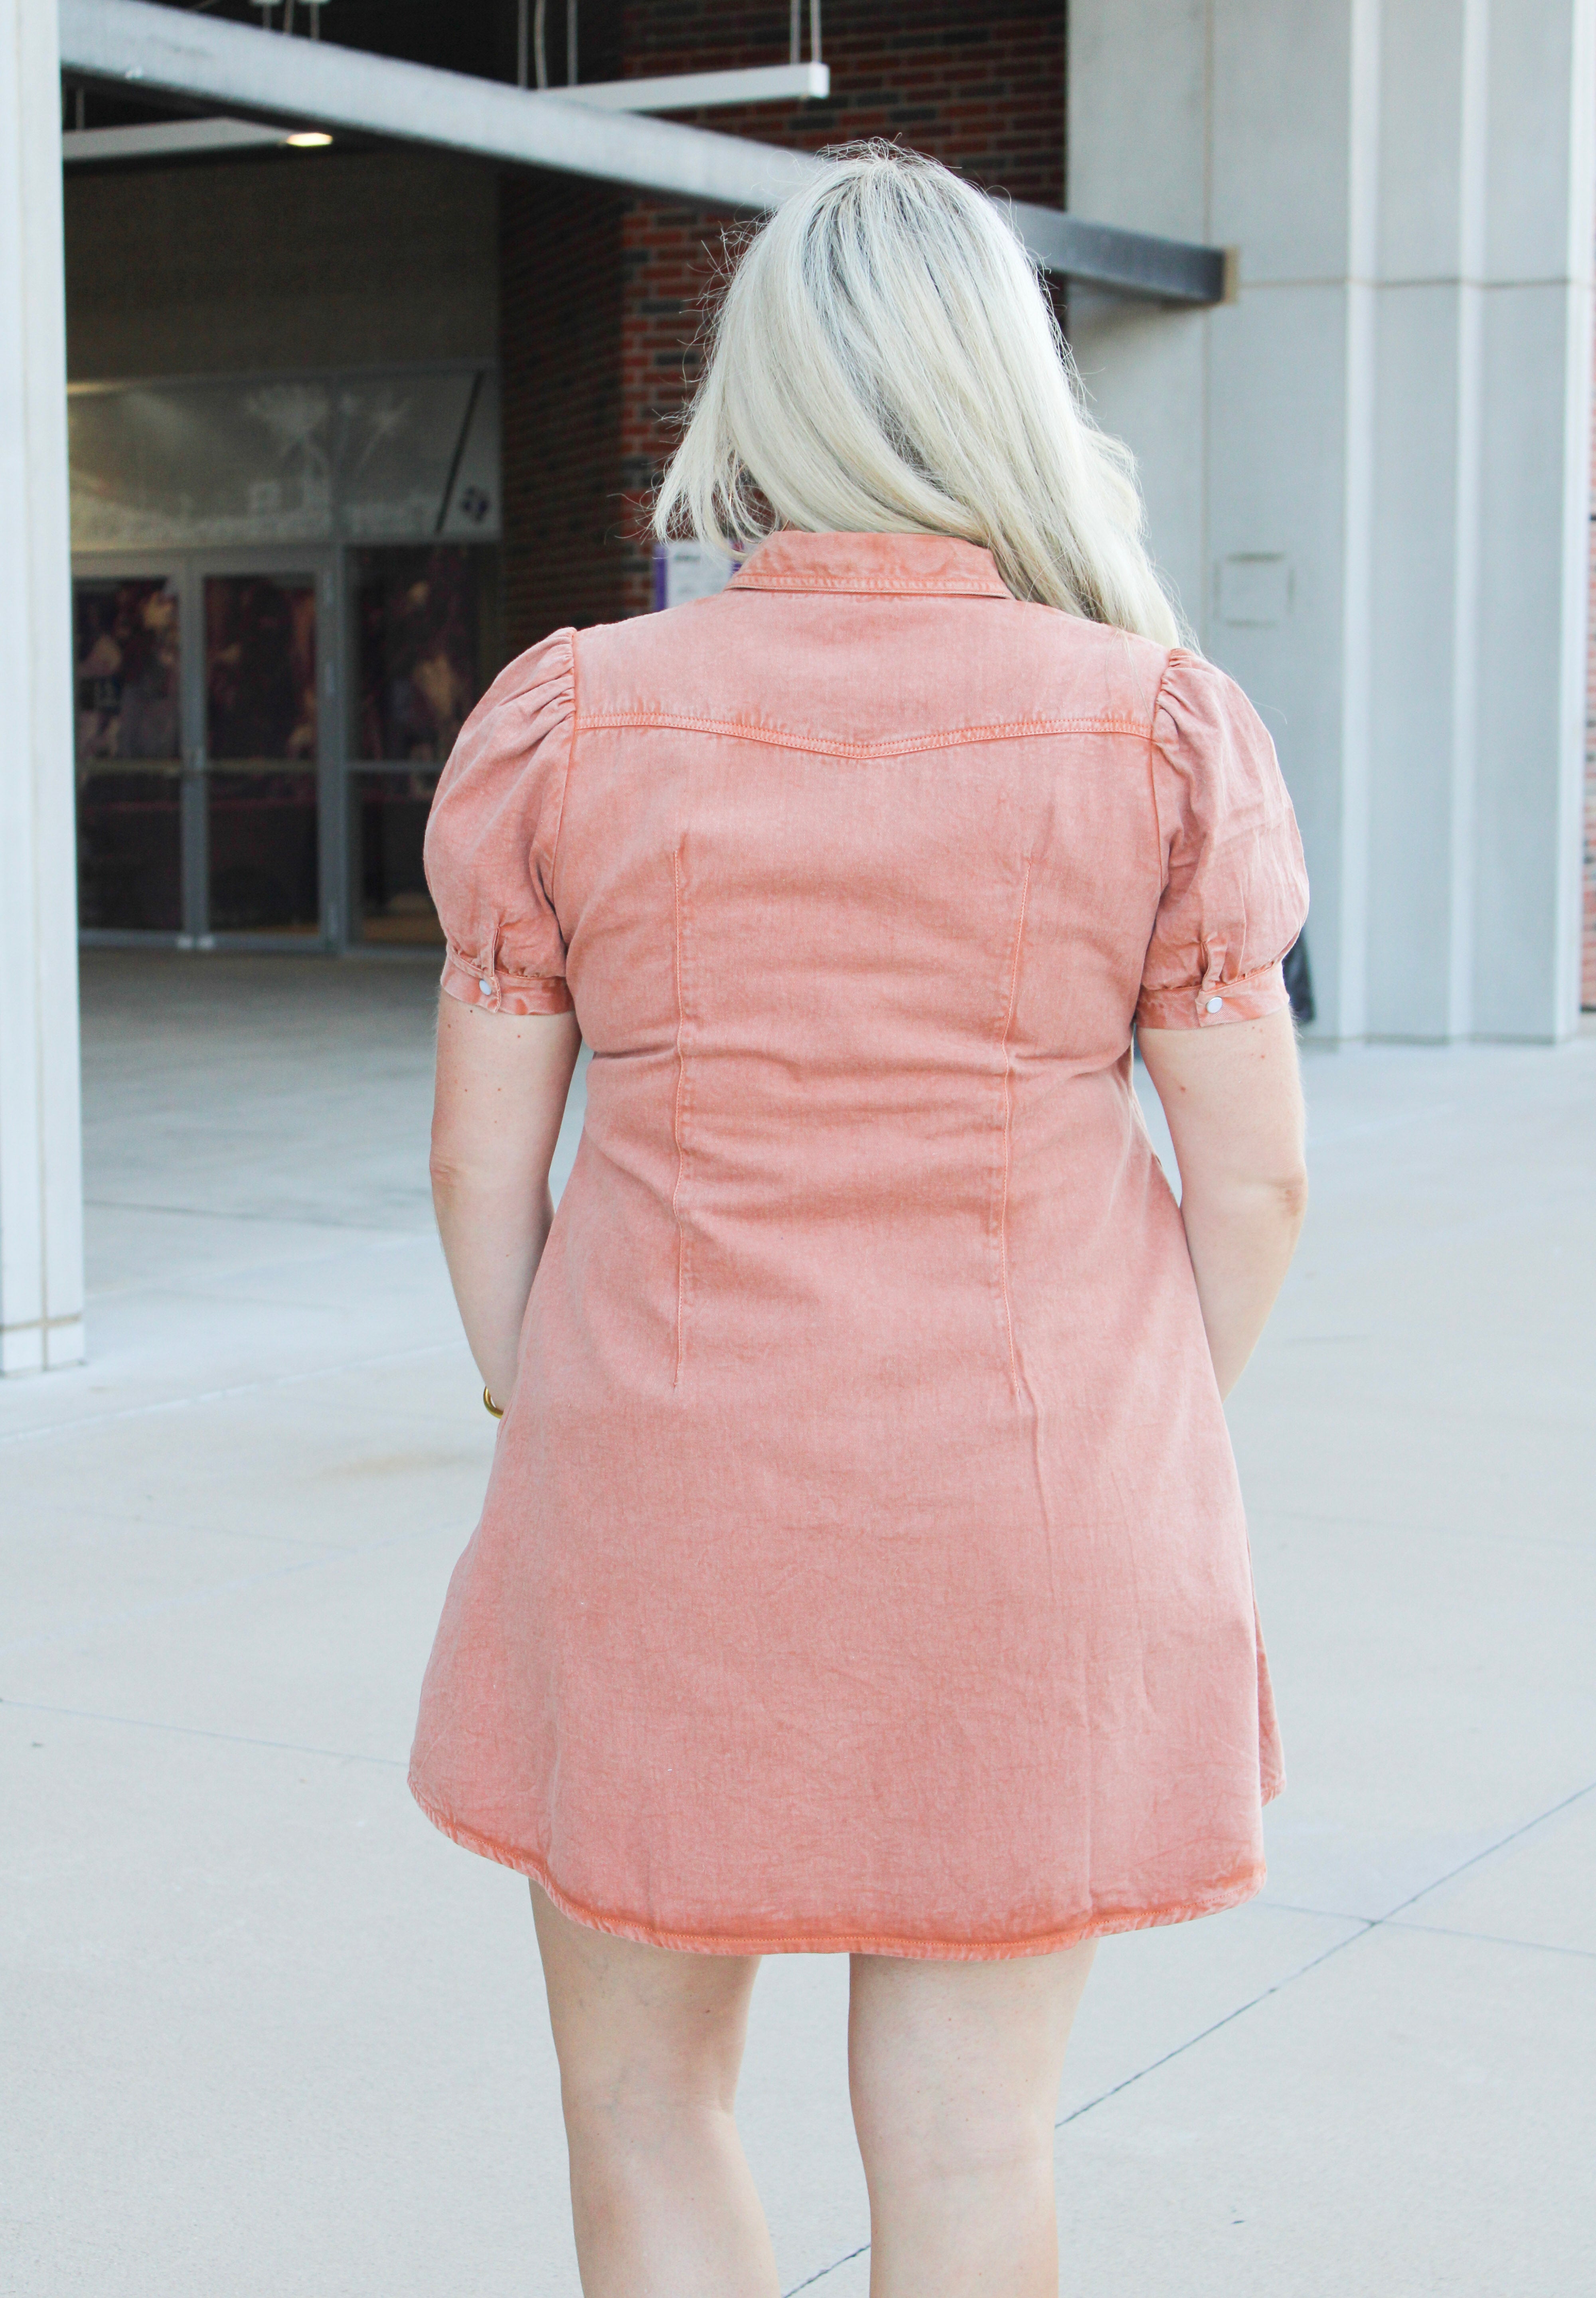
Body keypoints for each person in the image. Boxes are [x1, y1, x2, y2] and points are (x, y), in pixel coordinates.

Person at [411, 144, 1309, 2298]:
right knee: (978, 2149)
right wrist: (1128, 1419)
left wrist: (570, 1412)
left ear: (759, 395)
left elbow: (474, 1164)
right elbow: (1256, 1177)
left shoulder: (573, 716)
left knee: (644, 2107)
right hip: (1030, 1501)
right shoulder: (1153, 728)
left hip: (664, 1485)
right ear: (1005, 384)